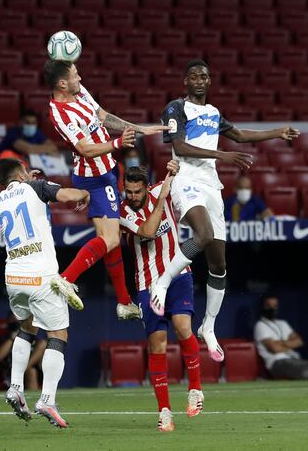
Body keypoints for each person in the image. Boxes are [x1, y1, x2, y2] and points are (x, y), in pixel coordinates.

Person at [153, 58, 300, 362]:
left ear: (209, 81)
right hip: (186, 179)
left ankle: (208, 326)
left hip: (211, 186)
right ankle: (163, 281)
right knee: (203, 235)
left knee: (218, 264)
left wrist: (277, 132)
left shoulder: (214, 112)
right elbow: (179, 147)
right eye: (193, 76)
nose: (199, 80)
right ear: (185, 81)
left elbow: (240, 135)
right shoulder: (175, 108)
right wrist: (222, 154)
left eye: (204, 76)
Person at [43, 60, 168, 320]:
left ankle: (124, 302)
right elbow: (85, 149)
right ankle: (66, 278)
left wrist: (138, 129)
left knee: (110, 242)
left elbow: (102, 116)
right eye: (76, 75)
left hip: (105, 172)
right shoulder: (59, 113)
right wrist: (118, 142)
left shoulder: (80, 92)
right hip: (95, 179)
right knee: (111, 239)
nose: (81, 77)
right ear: (62, 83)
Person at [0, 158, 90, 428]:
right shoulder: (35, 188)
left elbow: (26, 200)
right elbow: (68, 195)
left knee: (27, 328)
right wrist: (84, 193)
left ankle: (15, 387)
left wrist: (34, 183)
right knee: (59, 334)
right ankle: (47, 398)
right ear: (22, 172)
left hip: (13, 276)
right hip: (41, 277)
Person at [120, 164, 203, 432]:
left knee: (183, 327)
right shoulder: (121, 212)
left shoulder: (161, 190)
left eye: (136, 191)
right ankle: (164, 411)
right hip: (147, 285)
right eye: (128, 190)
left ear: (146, 187)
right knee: (158, 345)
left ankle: (195, 389)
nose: (132, 196)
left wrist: (174, 167)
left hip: (178, 275)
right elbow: (147, 231)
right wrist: (159, 201)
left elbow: (181, 169)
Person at [254, 294, 308, 379]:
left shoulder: (283, 323)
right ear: (263, 307)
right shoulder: (260, 325)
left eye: (275, 306)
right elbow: (275, 349)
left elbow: (299, 341)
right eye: (269, 305)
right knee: (305, 371)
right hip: (277, 363)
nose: (272, 308)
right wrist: (289, 345)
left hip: (294, 358)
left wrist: (280, 343)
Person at [0, 312, 47, 390]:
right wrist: (12, 338)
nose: (16, 323)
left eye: (19, 321)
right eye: (13, 320)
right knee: (31, 372)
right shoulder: (2, 339)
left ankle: (24, 369)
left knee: (43, 344)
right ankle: (23, 370)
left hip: (30, 367)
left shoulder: (30, 338)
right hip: (11, 370)